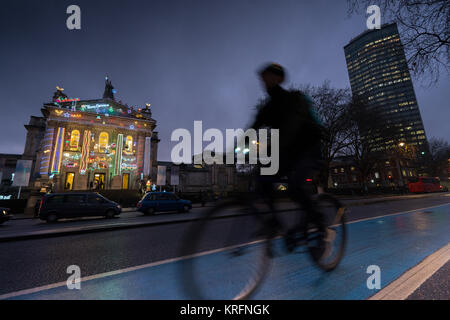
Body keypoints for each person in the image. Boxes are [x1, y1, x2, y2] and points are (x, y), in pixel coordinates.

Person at [250, 63, 327, 257]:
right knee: (261, 178)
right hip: (288, 152)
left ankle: (320, 229)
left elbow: (292, 128)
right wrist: (230, 155)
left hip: (309, 148)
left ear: (279, 78)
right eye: (263, 78)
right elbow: (251, 130)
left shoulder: (293, 99)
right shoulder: (267, 108)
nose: (264, 81)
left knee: (296, 187)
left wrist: (271, 150)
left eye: (268, 76)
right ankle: (274, 222)